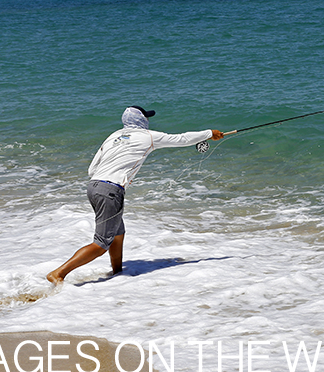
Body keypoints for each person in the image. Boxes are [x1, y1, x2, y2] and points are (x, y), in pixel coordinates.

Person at [46, 106, 224, 285]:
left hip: (93, 187)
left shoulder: (113, 136)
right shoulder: (148, 137)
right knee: (101, 243)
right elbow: (181, 139)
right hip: (110, 190)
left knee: (118, 233)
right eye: (146, 117)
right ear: (141, 120)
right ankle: (59, 273)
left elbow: (92, 169)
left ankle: (117, 273)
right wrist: (210, 133)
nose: (148, 120)